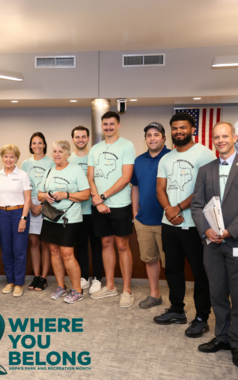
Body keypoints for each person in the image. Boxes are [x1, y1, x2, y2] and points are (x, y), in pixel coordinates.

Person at [192, 122, 238, 369]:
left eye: (225, 136)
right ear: (212, 140)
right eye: (217, 137)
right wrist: (207, 230)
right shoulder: (206, 170)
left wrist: (228, 231)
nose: (221, 140)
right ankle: (221, 337)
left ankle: (237, 342)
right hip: (212, 243)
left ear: (234, 137)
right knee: (217, 293)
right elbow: (196, 205)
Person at [154, 113, 215, 337]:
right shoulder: (166, 158)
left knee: (200, 272)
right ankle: (177, 310)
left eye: (183, 128)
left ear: (192, 130)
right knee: (172, 269)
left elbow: (204, 188)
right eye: (175, 128)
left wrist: (177, 208)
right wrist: (170, 211)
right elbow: (160, 188)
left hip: (195, 224)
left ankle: (201, 317)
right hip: (169, 223)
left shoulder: (204, 154)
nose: (179, 131)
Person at [87, 111, 136, 308]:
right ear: (102, 126)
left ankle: (126, 290)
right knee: (106, 244)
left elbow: (126, 178)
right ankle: (110, 286)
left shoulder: (127, 145)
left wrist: (103, 197)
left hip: (120, 205)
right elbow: (90, 177)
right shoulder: (95, 149)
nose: (108, 127)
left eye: (111, 124)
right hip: (98, 206)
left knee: (122, 246)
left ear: (118, 125)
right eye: (105, 124)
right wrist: (97, 201)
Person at [38, 140, 90, 303]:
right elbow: (39, 194)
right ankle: (61, 286)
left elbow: (86, 194)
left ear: (68, 154)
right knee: (54, 251)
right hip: (50, 217)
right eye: (55, 151)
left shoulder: (76, 170)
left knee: (67, 254)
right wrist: (45, 196)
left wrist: (66, 194)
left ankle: (77, 290)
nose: (57, 154)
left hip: (70, 218)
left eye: (61, 151)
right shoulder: (49, 171)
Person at [131, 123, 170, 309]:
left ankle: (176, 302)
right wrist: (135, 213)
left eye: (156, 135)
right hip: (143, 220)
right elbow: (135, 187)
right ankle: (154, 295)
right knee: (150, 259)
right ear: (145, 138)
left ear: (164, 138)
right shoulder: (139, 160)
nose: (152, 138)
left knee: (170, 263)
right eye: (149, 135)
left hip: (168, 220)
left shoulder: (172, 157)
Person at [68, 126, 104, 294]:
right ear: (73, 139)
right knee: (81, 245)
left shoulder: (94, 156)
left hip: (94, 208)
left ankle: (97, 278)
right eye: (77, 137)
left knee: (97, 245)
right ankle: (83, 276)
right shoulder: (69, 159)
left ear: (88, 138)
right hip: (77, 210)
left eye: (83, 136)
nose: (80, 139)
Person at [0, 144, 32, 297]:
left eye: (12, 156)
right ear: (2, 158)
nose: (8, 159)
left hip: (19, 213)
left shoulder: (22, 175)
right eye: (6, 156)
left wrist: (23, 218)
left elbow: (28, 199)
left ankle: (19, 283)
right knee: (6, 251)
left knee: (20, 251)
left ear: (16, 158)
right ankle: (10, 281)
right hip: (2, 213)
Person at [21, 132, 54, 292]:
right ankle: (36, 275)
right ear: (30, 145)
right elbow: (21, 186)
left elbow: (53, 184)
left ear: (44, 145)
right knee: (33, 243)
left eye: (40, 143)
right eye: (34, 143)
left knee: (45, 244)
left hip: (46, 203)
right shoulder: (25, 163)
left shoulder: (51, 162)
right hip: (29, 203)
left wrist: (41, 204)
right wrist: (32, 206)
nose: (37, 146)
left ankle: (44, 277)